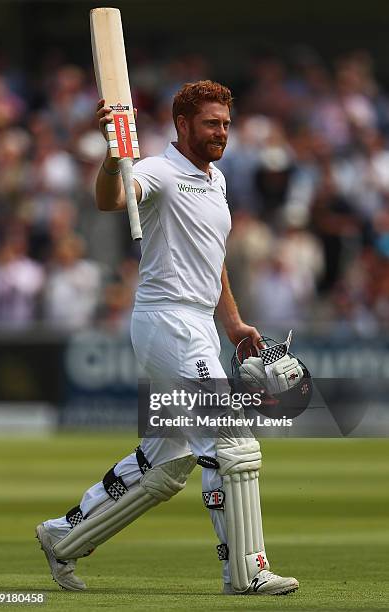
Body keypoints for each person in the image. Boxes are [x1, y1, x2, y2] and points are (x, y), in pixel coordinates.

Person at [36, 80, 299, 596]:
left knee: (168, 457)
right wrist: (115, 155)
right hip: (168, 322)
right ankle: (247, 572)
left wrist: (233, 323)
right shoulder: (158, 169)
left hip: (198, 321)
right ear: (183, 125)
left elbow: (212, 258)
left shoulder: (216, 180)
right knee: (232, 445)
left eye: (225, 123)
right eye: (210, 123)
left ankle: (63, 537)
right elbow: (111, 199)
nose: (221, 131)